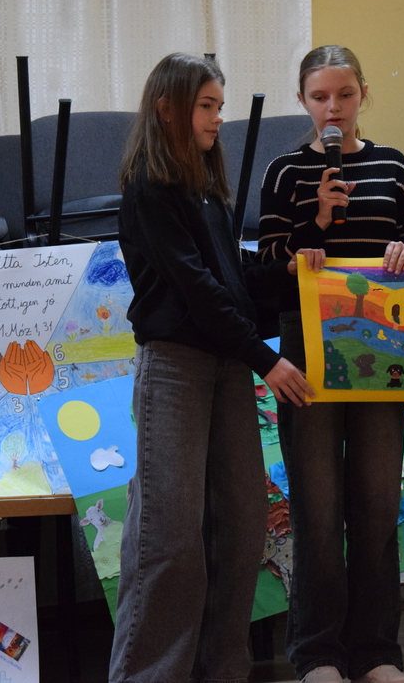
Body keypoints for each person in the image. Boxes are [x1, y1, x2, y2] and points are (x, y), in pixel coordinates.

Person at [109, 52, 318, 683]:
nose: (218, 118)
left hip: (226, 366)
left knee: (243, 526)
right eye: (207, 105)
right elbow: (196, 290)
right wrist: (267, 360)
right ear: (167, 107)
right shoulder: (150, 186)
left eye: (220, 107)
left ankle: (221, 669)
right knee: (169, 535)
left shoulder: (205, 187)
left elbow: (231, 277)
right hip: (176, 367)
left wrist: (285, 269)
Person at [259, 45, 404, 683]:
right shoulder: (285, 170)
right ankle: (318, 654)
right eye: (320, 96)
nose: (334, 108)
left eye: (345, 94)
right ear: (304, 101)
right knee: (318, 510)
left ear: (363, 94)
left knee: (378, 507)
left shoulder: (392, 163)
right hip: (308, 347)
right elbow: (267, 264)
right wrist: (317, 222)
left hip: (383, 348)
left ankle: (377, 652)